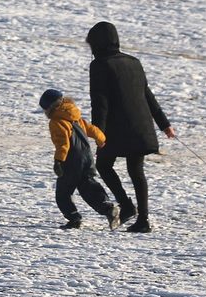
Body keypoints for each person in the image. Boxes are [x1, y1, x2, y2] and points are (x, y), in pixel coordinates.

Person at [86, 21, 175, 233]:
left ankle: (126, 206)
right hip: (141, 126)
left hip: (117, 128)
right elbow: (147, 95)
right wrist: (165, 125)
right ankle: (143, 219)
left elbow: (100, 102)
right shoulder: (133, 62)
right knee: (136, 170)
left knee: (104, 165)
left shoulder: (99, 65)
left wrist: (98, 133)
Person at [40, 89, 121, 231]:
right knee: (87, 186)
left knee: (63, 192)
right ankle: (109, 209)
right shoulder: (75, 116)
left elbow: (63, 143)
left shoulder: (56, 121)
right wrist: (101, 140)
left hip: (71, 159)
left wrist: (58, 161)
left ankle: (74, 218)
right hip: (86, 157)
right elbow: (92, 129)